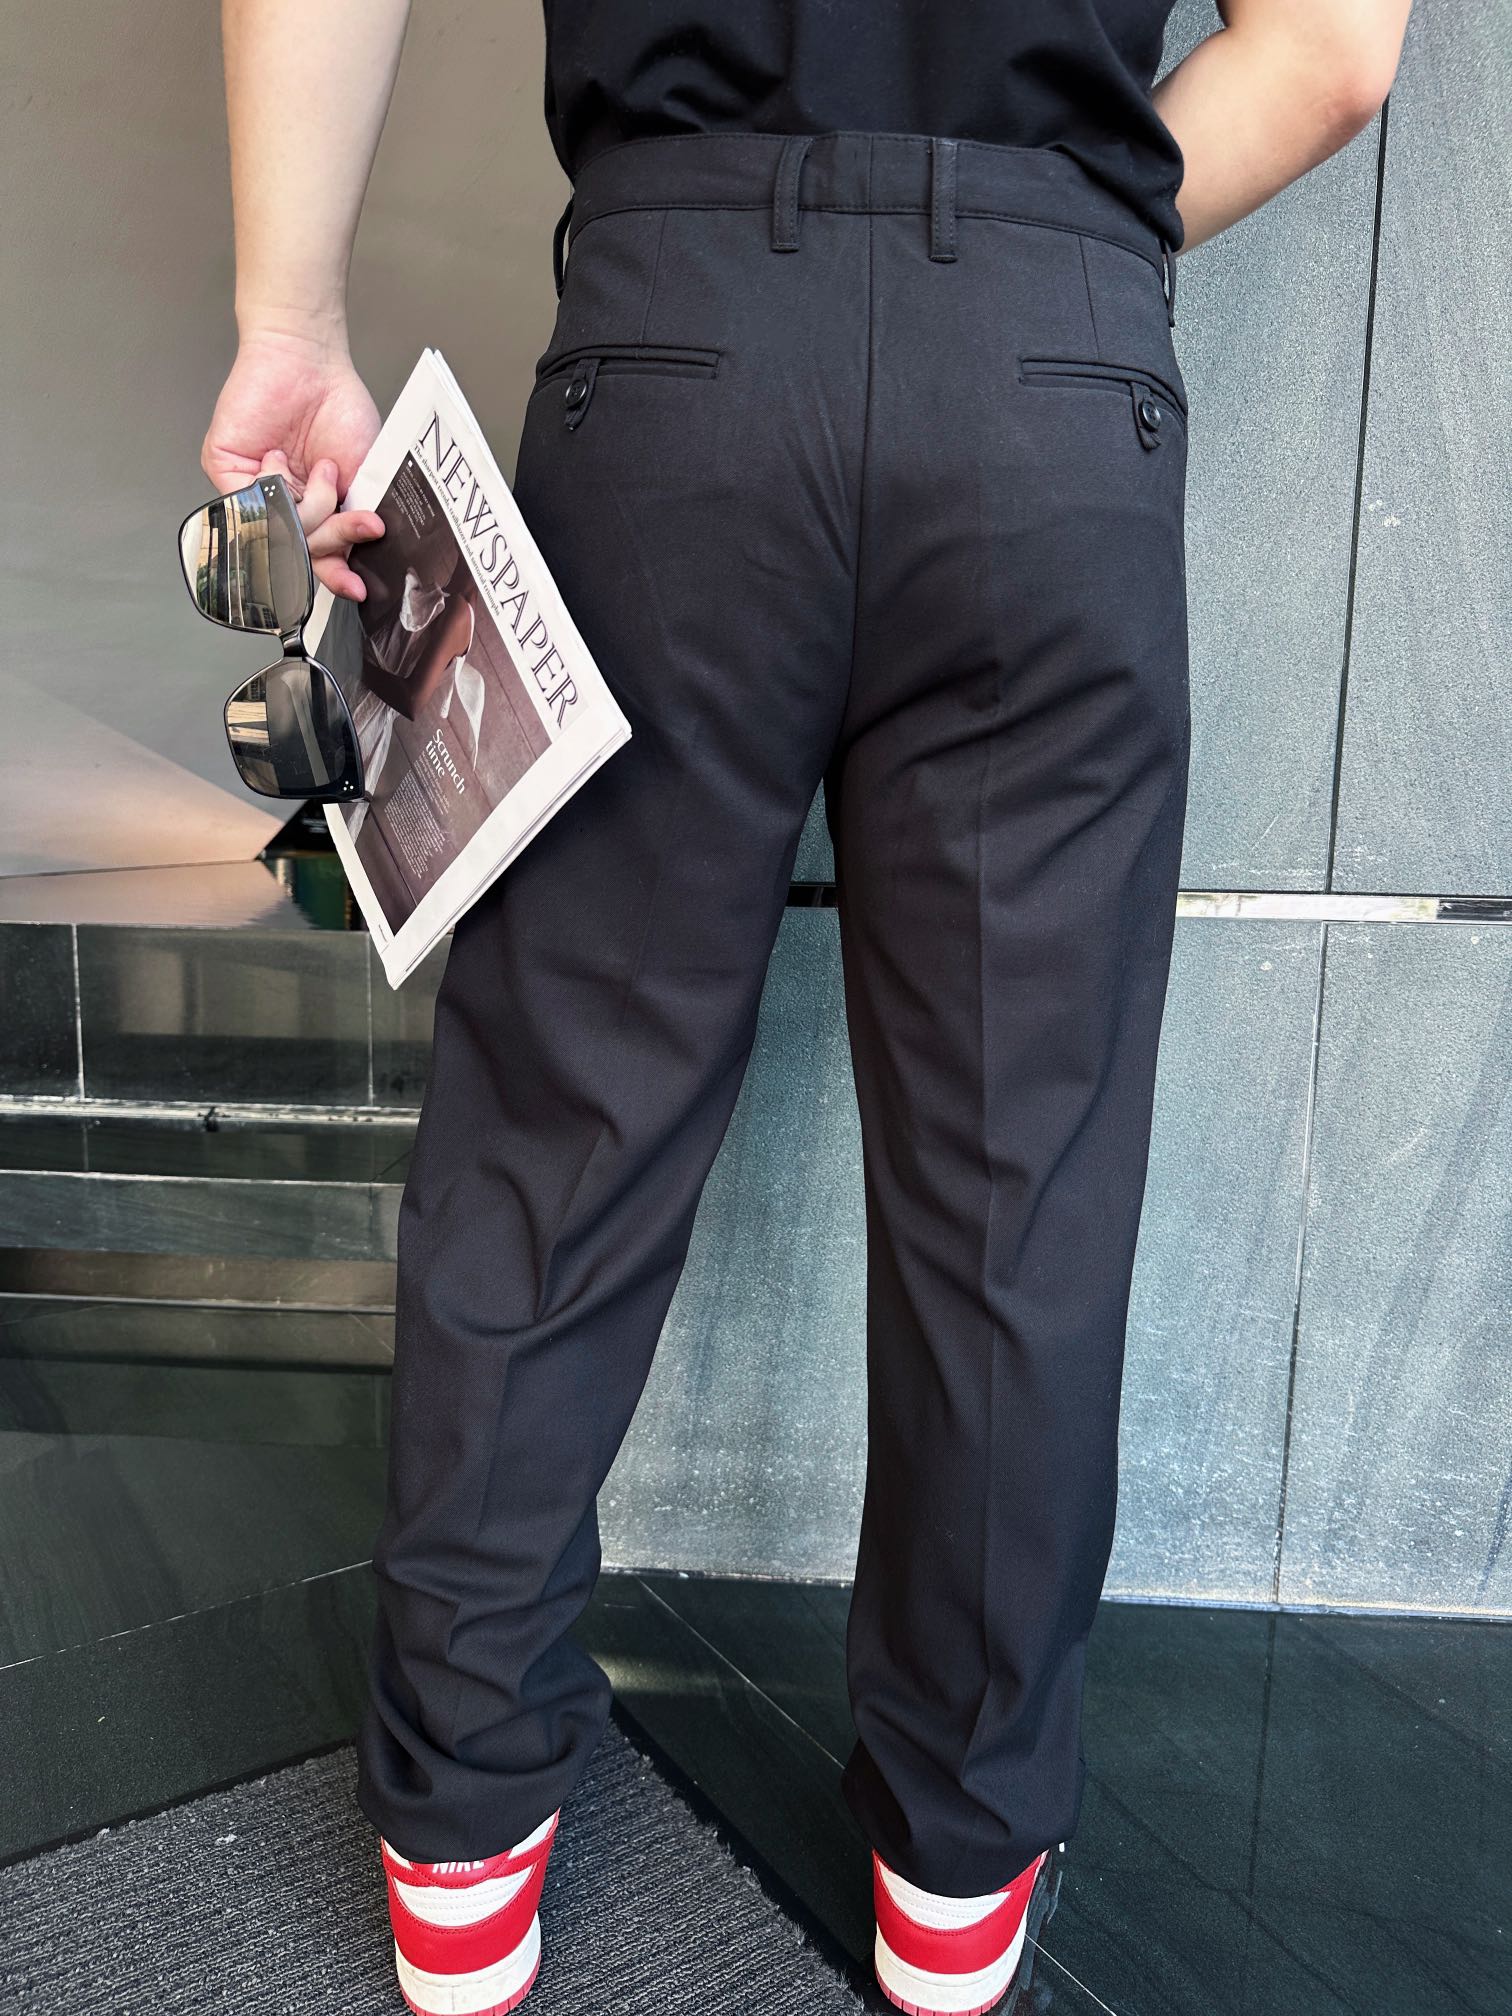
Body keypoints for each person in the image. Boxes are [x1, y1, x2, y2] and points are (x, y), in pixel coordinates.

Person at [201, 3, 1412, 2011]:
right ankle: (958, 1868)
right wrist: (1056, 226)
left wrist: (289, 317)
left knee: (559, 1127)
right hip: (1052, 363)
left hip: (678, 353)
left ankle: (464, 1832)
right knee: (1020, 1170)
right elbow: (1339, 53)